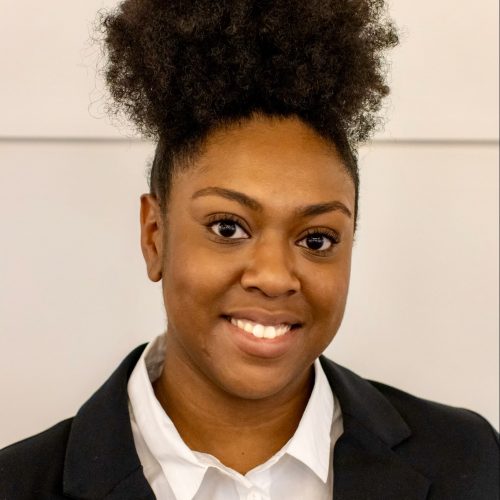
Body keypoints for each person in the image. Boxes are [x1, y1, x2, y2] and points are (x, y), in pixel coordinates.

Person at [0, 0, 498, 499]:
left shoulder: (469, 460)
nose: (275, 276)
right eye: (228, 228)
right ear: (155, 236)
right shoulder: (20, 483)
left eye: (316, 239)